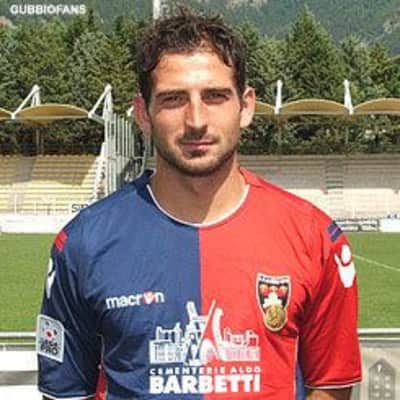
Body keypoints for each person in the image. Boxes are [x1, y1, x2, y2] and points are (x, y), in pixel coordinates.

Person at [36, 8, 361, 400]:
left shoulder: (316, 239)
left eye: (215, 96)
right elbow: (66, 392)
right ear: (143, 113)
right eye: (173, 99)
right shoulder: (83, 245)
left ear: (246, 106)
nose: (196, 120)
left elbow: (330, 385)